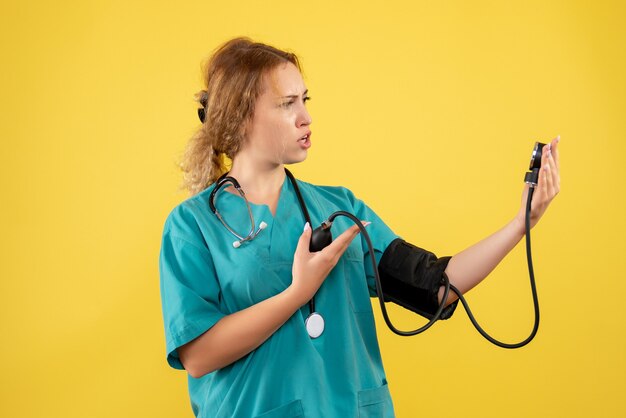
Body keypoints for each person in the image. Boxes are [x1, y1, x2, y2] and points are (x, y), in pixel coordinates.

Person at [159, 37, 560, 418]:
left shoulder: (340, 208)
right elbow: (197, 356)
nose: (306, 117)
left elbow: (436, 285)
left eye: (305, 100)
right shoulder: (191, 226)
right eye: (286, 104)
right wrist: (299, 292)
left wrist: (520, 223)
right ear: (240, 116)